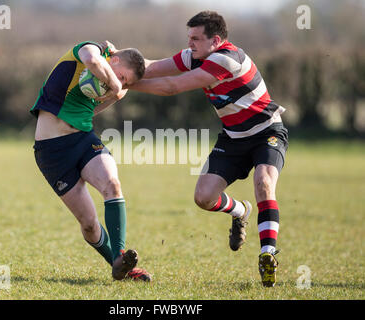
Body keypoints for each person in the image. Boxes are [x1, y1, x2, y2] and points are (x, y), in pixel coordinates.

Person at [106, 11, 288, 287]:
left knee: (263, 182)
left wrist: (123, 82)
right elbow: (153, 67)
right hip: (233, 138)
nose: (189, 44)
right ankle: (240, 211)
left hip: (267, 133)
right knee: (203, 198)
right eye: (188, 38)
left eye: (195, 39)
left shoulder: (227, 59)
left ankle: (268, 253)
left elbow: (171, 86)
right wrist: (116, 62)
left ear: (215, 40)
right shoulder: (197, 56)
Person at [30, 41, 151, 282]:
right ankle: (118, 265)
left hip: (84, 141)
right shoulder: (90, 49)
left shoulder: (99, 85)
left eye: (126, 82)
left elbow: (91, 109)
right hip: (52, 152)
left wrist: (115, 94)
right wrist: (116, 84)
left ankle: (120, 257)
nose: (121, 83)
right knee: (88, 225)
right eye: (123, 77)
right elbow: (93, 60)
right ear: (114, 60)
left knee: (112, 185)